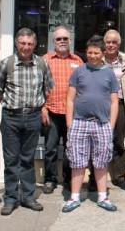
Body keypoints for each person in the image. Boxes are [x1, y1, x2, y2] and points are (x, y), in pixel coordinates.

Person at [0, 28, 54, 216]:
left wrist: (43, 107)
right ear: (16, 43)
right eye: (22, 43)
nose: (26, 47)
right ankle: (11, 199)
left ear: (35, 45)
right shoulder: (7, 63)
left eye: (29, 44)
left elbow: (48, 89)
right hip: (11, 117)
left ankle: (28, 197)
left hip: (33, 117)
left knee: (28, 160)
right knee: (11, 160)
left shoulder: (42, 64)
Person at [61, 38, 119, 213]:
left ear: (103, 53)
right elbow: (70, 99)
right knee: (77, 162)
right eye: (90, 53)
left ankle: (103, 197)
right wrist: (70, 123)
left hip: (102, 124)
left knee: (101, 162)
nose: (93, 56)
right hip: (79, 122)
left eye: (96, 53)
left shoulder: (109, 73)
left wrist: (111, 126)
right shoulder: (79, 71)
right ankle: (75, 197)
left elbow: (114, 102)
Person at [41, 26, 83, 194]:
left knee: (69, 148)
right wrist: (42, 107)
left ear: (70, 40)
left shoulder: (78, 61)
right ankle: (50, 180)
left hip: (72, 113)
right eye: (59, 39)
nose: (62, 41)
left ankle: (67, 179)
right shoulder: (45, 60)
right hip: (51, 111)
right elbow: (38, 85)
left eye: (65, 38)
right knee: (50, 148)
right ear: (53, 42)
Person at [103, 29, 125, 192]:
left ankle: (119, 176)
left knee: (119, 140)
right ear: (104, 43)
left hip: (121, 104)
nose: (111, 45)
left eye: (114, 42)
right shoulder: (97, 60)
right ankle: (96, 177)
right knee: (99, 140)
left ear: (119, 44)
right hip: (101, 105)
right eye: (108, 42)